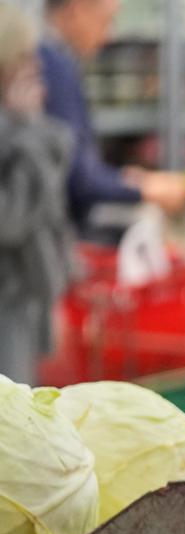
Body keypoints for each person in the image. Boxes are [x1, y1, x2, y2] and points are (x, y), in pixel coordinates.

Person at [37, 0, 185, 228]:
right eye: (106, 21)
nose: (109, 35)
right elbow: (77, 180)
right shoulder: (54, 68)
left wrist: (124, 179)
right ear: (77, 10)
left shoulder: (46, 60)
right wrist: (142, 188)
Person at [0, 6, 74, 384]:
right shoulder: (16, 130)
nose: (35, 66)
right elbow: (9, 220)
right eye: (24, 57)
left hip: (19, 304)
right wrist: (28, 130)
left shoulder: (14, 126)